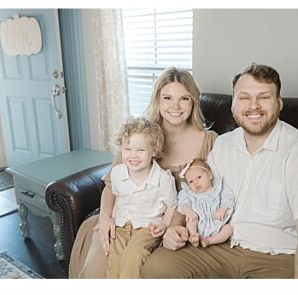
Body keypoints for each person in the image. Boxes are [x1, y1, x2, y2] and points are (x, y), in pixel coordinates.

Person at [142, 63, 298, 278]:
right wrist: (175, 226)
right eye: (244, 97)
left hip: (275, 256)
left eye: (263, 97)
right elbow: (194, 193)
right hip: (219, 245)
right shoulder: (223, 144)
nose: (253, 106)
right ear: (233, 105)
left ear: (279, 103)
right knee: (157, 267)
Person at [70, 68, 216, 278]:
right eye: (167, 98)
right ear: (158, 100)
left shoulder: (210, 141)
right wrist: (105, 218)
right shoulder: (140, 136)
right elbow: (111, 187)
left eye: (184, 98)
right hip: (124, 218)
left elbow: (214, 194)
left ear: (193, 102)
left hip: (164, 225)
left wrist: (171, 226)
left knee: (134, 262)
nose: (175, 106)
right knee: (97, 265)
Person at [102, 117, 177, 278]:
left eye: (141, 150)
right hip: (123, 223)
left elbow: (172, 205)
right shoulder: (117, 173)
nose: (133, 155)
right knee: (114, 258)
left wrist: (165, 225)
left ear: (154, 151)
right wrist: (111, 219)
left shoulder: (163, 179)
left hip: (148, 227)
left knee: (133, 255)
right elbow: (118, 197)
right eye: (127, 149)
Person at [176, 159, 235, 248]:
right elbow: (183, 202)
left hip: (216, 220)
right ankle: (193, 235)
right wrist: (188, 212)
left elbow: (228, 197)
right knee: (191, 220)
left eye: (199, 177)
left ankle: (209, 241)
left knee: (228, 229)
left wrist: (223, 209)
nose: (195, 183)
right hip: (198, 222)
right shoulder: (190, 194)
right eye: (191, 181)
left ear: (210, 175)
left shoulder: (218, 190)